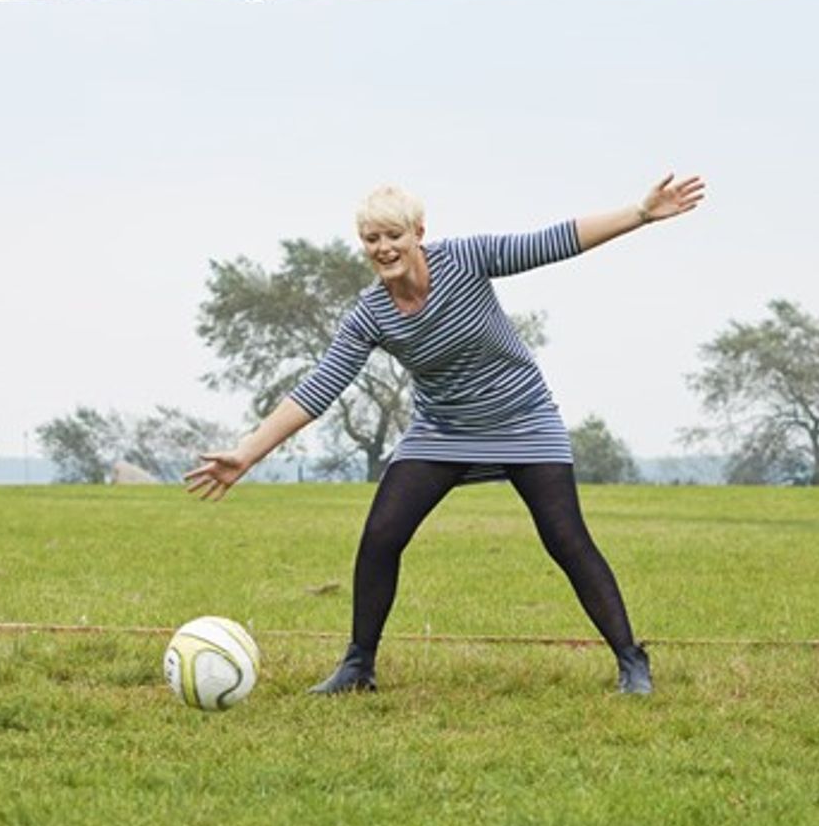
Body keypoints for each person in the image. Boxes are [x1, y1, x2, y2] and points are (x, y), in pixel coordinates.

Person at [185, 174, 707, 696]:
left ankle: (631, 661)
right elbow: (321, 385)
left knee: (566, 538)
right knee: (381, 536)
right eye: (372, 239)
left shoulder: (464, 260)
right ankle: (357, 667)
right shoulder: (371, 314)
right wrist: (247, 453)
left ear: (418, 233)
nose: (384, 248)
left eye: (394, 235)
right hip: (444, 429)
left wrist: (639, 213)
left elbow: (555, 240)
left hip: (523, 418)